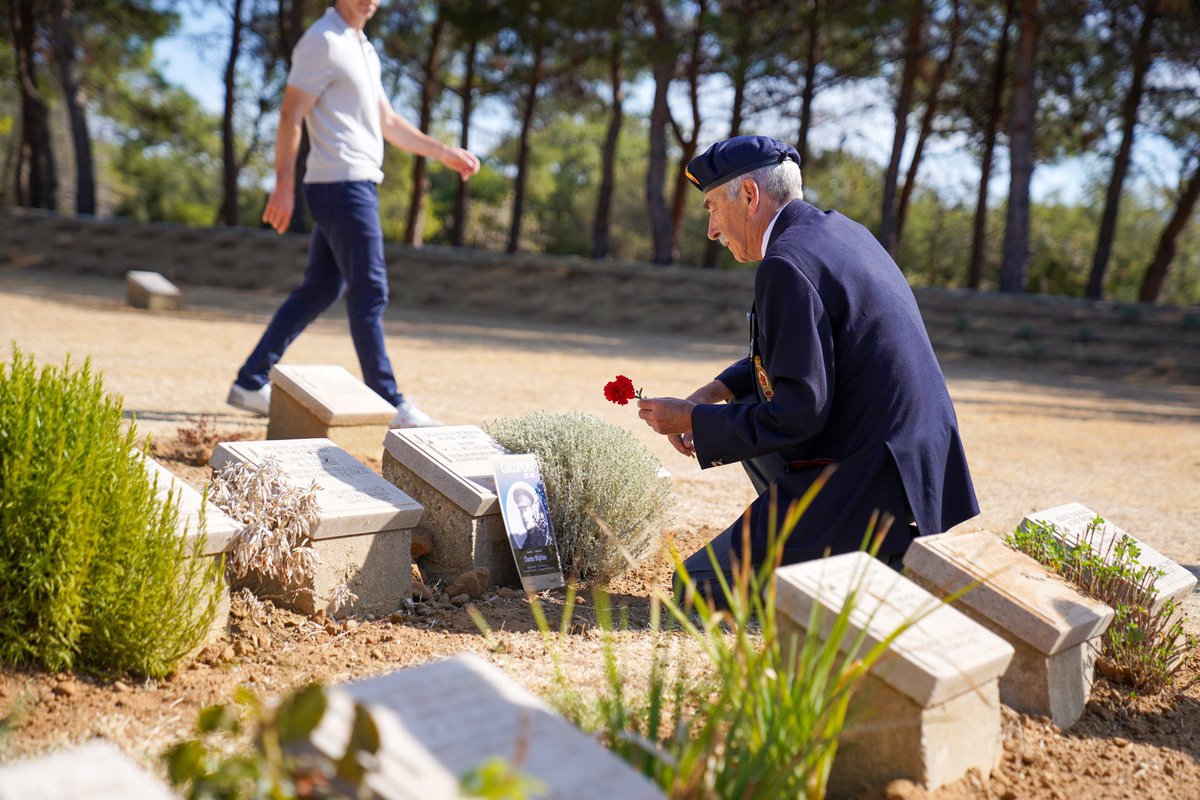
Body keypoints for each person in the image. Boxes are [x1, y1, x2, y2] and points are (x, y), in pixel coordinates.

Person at [637, 135, 978, 606]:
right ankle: (814, 539)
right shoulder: (839, 234)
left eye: (712, 207)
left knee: (699, 587)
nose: (712, 229)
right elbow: (807, 354)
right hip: (910, 471)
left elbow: (799, 413)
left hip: (868, 479)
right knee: (748, 399)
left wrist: (691, 421)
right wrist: (714, 391)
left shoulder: (786, 263)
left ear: (750, 196)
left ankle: (867, 560)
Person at [226, 0, 480, 427]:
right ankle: (388, 398)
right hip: (341, 184)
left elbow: (388, 121)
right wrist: (283, 184)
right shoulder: (321, 41)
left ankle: (251, 380)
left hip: (352, 182)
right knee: (370, 288)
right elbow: (290, 113)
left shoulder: (362, 47)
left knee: (322, 287)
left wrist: (444, 153)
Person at [511, 485, 552, 549]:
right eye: (521, 511)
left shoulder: (543, 536)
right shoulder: (525, 544)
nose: (523, 516)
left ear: (532, 512)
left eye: (526, 510)